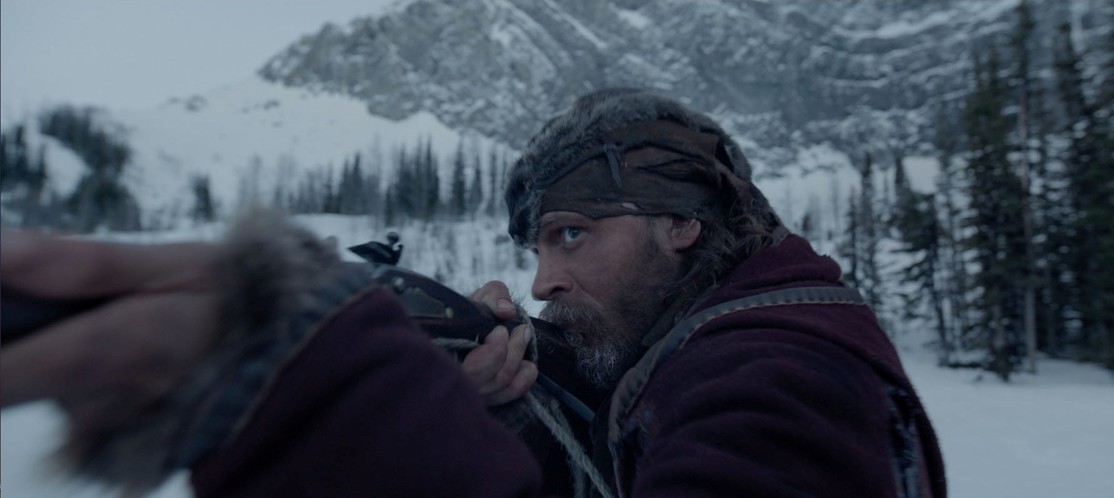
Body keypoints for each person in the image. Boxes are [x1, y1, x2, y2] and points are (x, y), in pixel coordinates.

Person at [0, 88, 945, 497]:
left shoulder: (775, 381)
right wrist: (512, 413)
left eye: (571, 234)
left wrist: (335, 402)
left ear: (680, 223)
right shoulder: (707, 333)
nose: (542, 280)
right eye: (536, 247)